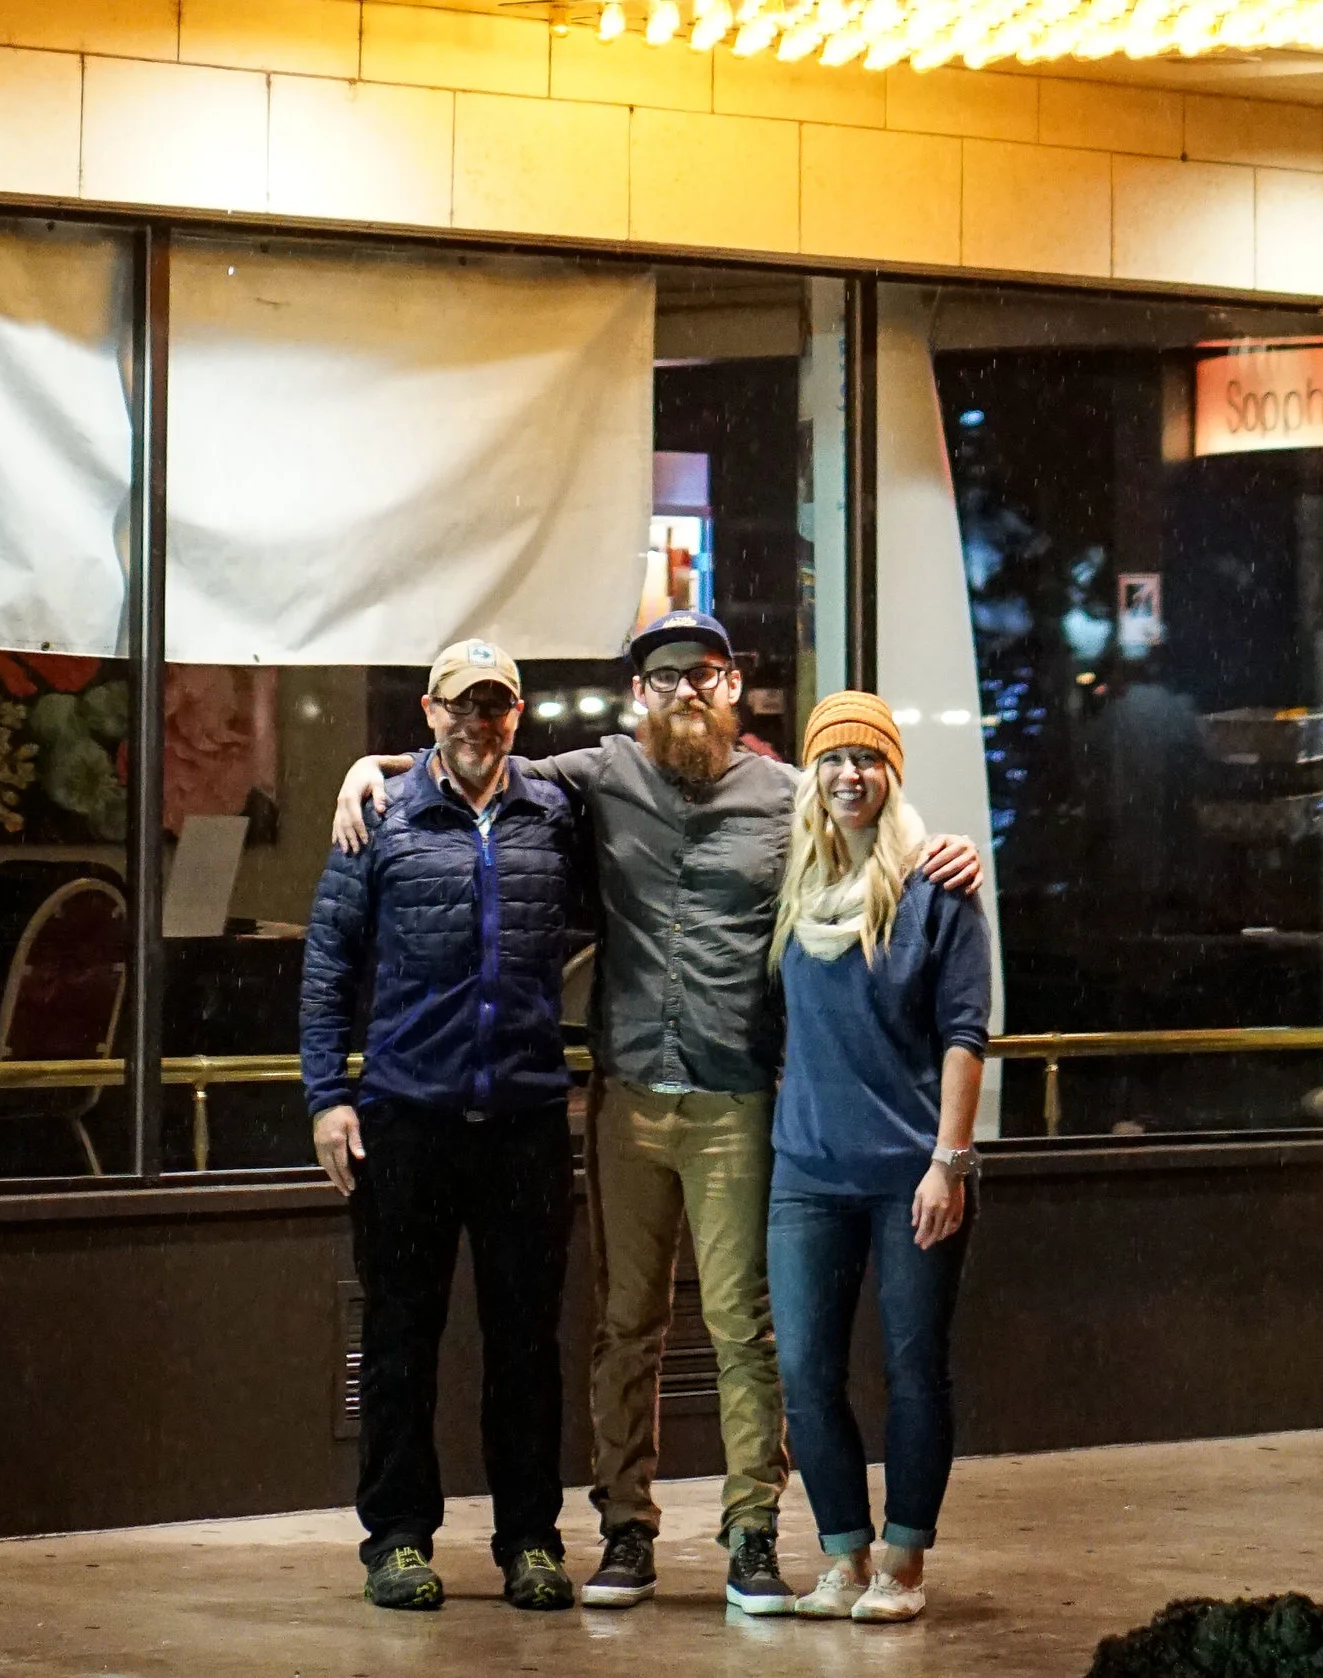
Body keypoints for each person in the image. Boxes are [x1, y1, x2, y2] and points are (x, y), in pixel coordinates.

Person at [333, 616, 982, 1615]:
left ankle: (751, 1536)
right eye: (665, 675)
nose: (685, 691)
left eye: (705, 675)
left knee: (743, 1333)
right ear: (640, 691)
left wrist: (951, 844)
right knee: (623, 1328)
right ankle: (625, 1534)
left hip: (736, 1099)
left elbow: (870, 803)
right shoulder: (591, 777)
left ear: (733, 688)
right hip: (627, 1093)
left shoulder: (783, 795)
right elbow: (472, 752)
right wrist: (368, 768)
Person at [301, 635, 584, 1617]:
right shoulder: (380, 817)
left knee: (526, 1348)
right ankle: (396, 1539)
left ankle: (531, 1542)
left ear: (519, 712)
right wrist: (324, 1098)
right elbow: (328, 961)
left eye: (497, 705)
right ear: (428, 711)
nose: (480, 723)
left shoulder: (554, 810)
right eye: (462, 706)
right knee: (398, 1341)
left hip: (525, 1125)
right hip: (404, 1122)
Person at [766, 690, 989, 1624]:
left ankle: (904, 1562)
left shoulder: (940, 890)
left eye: (865, 760)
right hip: (806, 1175)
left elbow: (966, 1034)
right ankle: (843, 1557)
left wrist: (951, 1161)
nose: (848, 775)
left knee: (912, 1366)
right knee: (807, 1372)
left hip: (910, 1175)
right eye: (831, 760)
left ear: (890, 773)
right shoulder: (797, 885)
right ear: (812, 777)